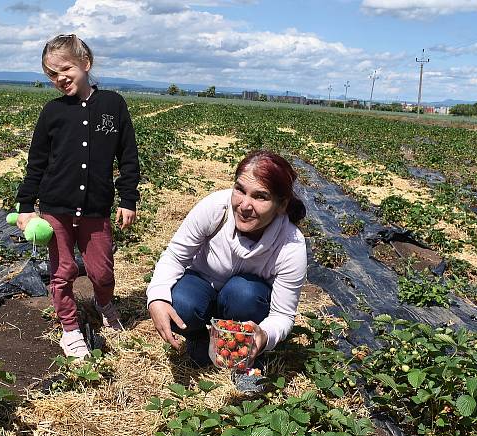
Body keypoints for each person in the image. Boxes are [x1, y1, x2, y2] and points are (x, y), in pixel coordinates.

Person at [15, 34, 140, 358]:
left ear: (86, 63)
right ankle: (69, 330)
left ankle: (103, 302)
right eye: (51, 75)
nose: (59, 79)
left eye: (64, 69)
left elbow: (128, 155)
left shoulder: (112, 105)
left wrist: (128, 199)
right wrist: (26, 206)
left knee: (102, 272)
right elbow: (36, 162)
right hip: (56, 208)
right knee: (63, 271)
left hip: (97, 211)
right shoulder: (53, 112)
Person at [147, 150, 307, 367]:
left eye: (260, 196)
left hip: (245, 304)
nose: (245, 205)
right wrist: (156, 297)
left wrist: (264, 335)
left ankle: (245, 348)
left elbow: (283, 315)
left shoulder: (290, 245)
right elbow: (175, 256)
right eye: (240, 190)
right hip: (201, 287)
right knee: (180, 302)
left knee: (243, 292)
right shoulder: (215, 208)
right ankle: (198, 337)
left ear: (282, 205)